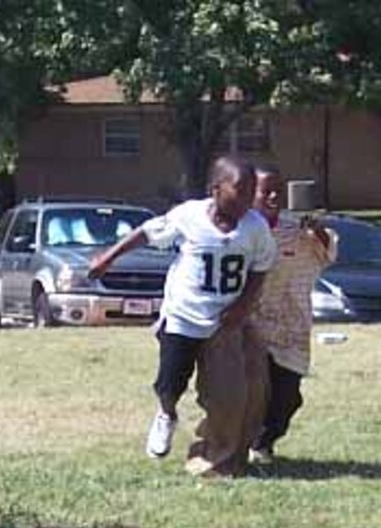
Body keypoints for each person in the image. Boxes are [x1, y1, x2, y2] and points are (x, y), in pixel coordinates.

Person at [89, 156, 277, 476]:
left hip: (224, 322)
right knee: (171, 383)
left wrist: (243, 305)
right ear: (216, 189)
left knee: (228, 395)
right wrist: (107, 258)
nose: (247, 198)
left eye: (251, 191)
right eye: (240, 190)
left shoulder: (255, 227)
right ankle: (166, 414)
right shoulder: (189, 216)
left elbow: (261, 267)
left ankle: (216, 457)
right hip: (183, 317)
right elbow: (148, 233)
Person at [245, 165, 334, 464]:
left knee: (288, 396)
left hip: (292, 330)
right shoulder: (240, 231)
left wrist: (316, 228)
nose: (273, 196)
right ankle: (243, 445)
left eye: (278, 191)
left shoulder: (298, 232)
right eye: (265, 190)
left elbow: (328, 253)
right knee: (250, 393)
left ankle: (263, 442)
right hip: (251, 327)